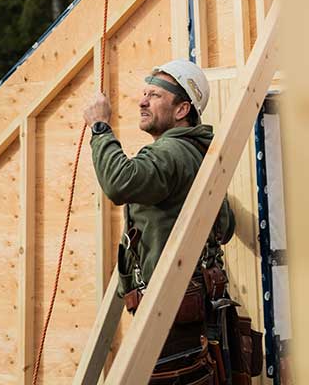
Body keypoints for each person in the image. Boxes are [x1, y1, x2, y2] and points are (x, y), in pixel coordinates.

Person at [83, 59, 235, 383]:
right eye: (144, 93)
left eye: (154, 95)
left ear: (182, 110)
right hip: (190, 310)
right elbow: (228, 225)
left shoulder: (170, 153)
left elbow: (120, 182)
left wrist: (99, 128)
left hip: (168, 314)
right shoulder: (200, 155)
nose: (142, 101)